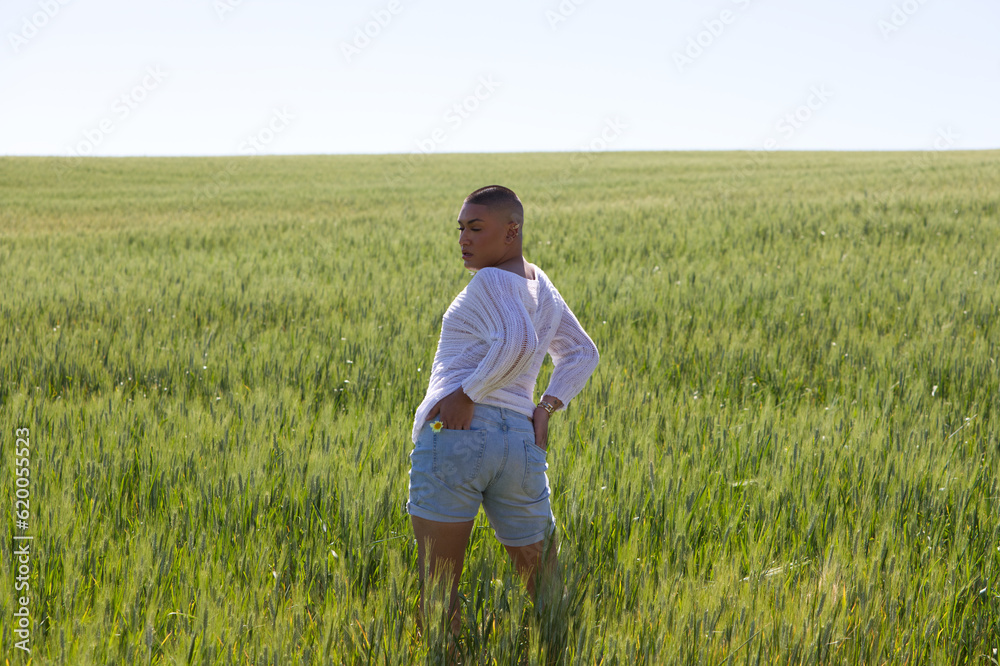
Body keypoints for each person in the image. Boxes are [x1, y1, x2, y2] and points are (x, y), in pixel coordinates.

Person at [407, 185, 600, 645]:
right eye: (461, 229)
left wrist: (465, 395)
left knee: (439, 588)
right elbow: (582, 353)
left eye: (476, 228)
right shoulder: (542, 285)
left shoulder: (490, 280)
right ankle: (557, 652)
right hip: (519, 443)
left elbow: (518, 342)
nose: (463, 239)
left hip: (456, 434)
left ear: (511, 231)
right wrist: (545, 408)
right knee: (545, 585)